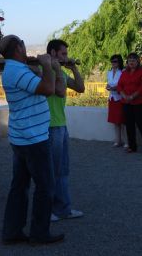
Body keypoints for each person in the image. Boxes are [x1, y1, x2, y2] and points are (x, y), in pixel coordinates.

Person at [0, 35, 64, 246]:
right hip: (33, 138)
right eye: (24, 45)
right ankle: (39, 233)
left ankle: (12, 231)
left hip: (21, 137)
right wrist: (47, 66)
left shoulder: (14, 69)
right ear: (18, 48)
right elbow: (47, 90)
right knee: (45, 186)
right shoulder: (16, 70)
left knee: (19, 186)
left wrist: (37, 70)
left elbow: (35, 88)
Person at [46, 39, 85, 222]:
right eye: (63, 54)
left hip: (61, 126)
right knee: (52, 171)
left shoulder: (61, 70)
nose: (66, 57)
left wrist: (74, 69)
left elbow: (80, 88)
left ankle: (63, 208)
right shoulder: (44, 71)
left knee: (63, 170)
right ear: (52, 53)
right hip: (50, 127)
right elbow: (59, 91)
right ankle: (50, 210)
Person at [117, 52, 142, 153]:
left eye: (133, 60)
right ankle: (132, 146)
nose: (131, 62)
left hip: (140, 102)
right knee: (129, 124)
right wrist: (124, 95)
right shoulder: (124, 73)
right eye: (129, 60)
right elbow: (119, 86)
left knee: (141, 123)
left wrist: (133, 96)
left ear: (137, 62)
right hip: (126, 102)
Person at [106, 54, 126, 147]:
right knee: (115, 121)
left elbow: (123, 85)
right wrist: (108, 87)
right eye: (112, 61)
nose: (113, 63)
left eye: (115, 61)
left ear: (119, 62)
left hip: (120, 98)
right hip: (112, 98)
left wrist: (115, 88)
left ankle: (126, 141)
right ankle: (118, 140)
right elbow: (109, 83)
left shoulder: (122, 72)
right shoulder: (109, 72)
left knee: (122, 121)